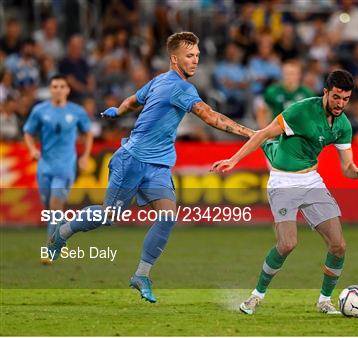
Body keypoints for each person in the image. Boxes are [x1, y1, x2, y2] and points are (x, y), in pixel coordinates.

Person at [47, 32, 254, 302]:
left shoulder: (159, 81)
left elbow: (133, 100)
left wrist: (118, 111)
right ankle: (61, 233)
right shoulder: (181, 88)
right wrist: (251, 133)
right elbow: (210, 116)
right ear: (174, 58)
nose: (195, 61)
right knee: (109, 217)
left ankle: (141, 275)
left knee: (168, 215)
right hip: (132, 160)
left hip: (158, 165)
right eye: (189, 56)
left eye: (197, 56)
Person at [212, 70, 358, 314]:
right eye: (336, 97)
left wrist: (357, 172)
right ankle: (256, 296)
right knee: (287, 244)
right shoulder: (300, 111)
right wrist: (234, 160)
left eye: (346, 99)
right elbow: (263, 133)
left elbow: (347, 168)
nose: (341, 104)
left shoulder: (343, 125)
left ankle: (324, 301)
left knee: (339, 245)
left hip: (311, 180)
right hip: (283, 181)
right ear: (326, 92)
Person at [23, 75, 93, 243]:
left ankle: (51, 244)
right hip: (45, 166)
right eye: (55, 86)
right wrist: (32, 149)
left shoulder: (77, 111)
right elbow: (28, 132)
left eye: (62, 86)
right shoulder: (40, 111)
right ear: (50, 90)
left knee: (55, 204)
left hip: (66, 166)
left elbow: (88, 133)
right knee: (49, 205)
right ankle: (61, 229)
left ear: (68, 90)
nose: (59, 90)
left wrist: (85, 155)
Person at [255, 60, 314, 129]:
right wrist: (264, 133)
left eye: (292, 73)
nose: (289, 77)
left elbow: (312, 116)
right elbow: (261, 111)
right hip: (276, 134)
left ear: (299, 75)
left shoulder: (307, 93)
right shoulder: (272, 91)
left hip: (299, 135)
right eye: (286, 73)